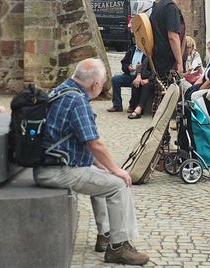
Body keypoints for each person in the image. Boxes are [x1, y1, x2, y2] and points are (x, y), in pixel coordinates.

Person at [33, 58, 150, 266]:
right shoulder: (77, 101)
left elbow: (76, 140)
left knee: (103, 177)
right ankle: (119, 247)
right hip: (58, 170)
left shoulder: (61, 90)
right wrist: (117, 170)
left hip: (47, 166)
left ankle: (105, 235)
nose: (102, 86)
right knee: (119, 184)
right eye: (103, 83)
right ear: (95, 84)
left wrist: (104, 167)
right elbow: (94, 143)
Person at [148, 0, 186, 80]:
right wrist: (179, 62)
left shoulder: (158, 6)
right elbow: (173, 37)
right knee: (170, 89)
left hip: (157, 57)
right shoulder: (171, 8)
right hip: (168, 62)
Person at [189, 39, 210, 117]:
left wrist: (200, 89)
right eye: (209, 48)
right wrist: (194, 86)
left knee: (195, 95)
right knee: (189, 91)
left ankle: (204, 119)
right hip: (205, 85)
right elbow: (204, 76)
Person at [108, 44, 144, 113]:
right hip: (129, 75)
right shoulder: (131, 50)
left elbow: (149, 67)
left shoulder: (146, 51)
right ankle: (117, 105)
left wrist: (140, 69)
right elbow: (124, 63)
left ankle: (132, 106)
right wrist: (128, 67)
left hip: (140, 76)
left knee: (135, 83)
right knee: (115, 79)